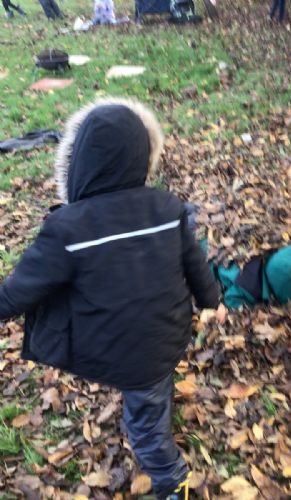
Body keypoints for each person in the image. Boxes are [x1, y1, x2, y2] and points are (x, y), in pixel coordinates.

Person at [0, 97, 225, 499]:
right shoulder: (167, 206)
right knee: (153, 385)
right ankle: (158, 398)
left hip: (120, 351)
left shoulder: (67, 227)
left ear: (80, 160)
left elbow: (19, 292)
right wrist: (211, 299)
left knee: (145, 430)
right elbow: (196, 265)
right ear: (142, 156)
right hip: (169, 334)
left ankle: (175, 482)